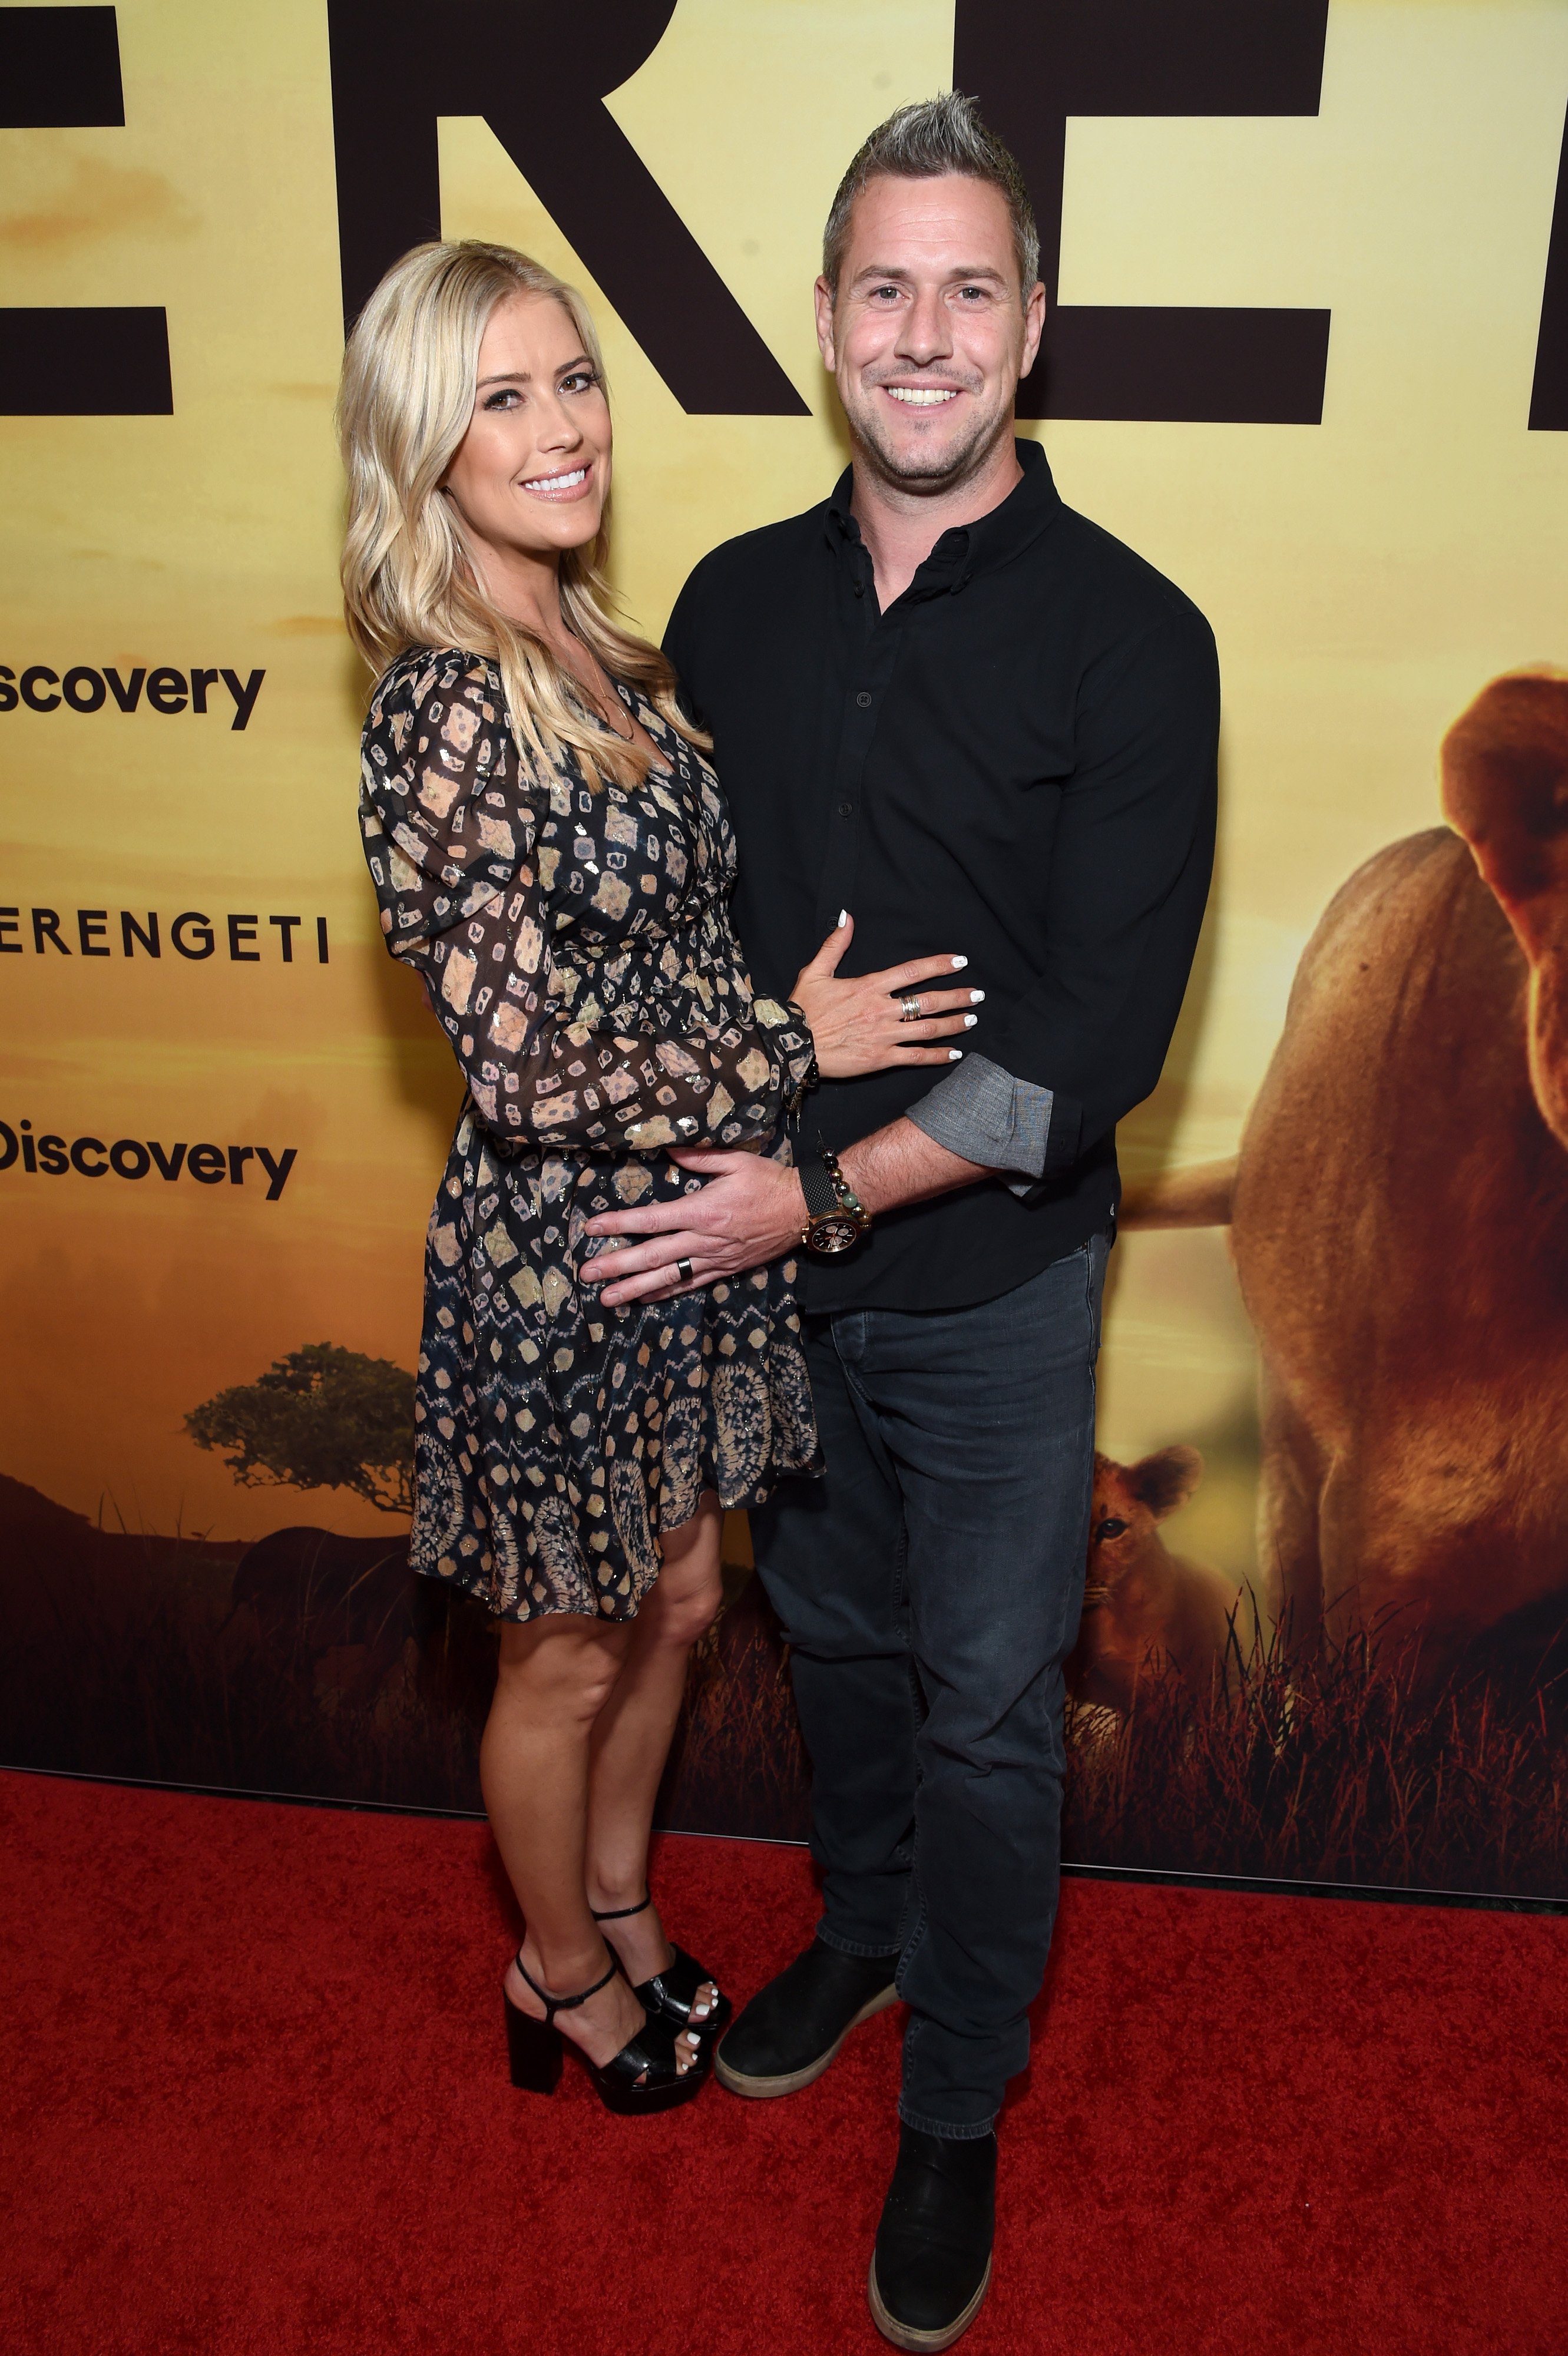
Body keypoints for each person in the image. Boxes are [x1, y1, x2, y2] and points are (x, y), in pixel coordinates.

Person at [581, 97, 1218, 2344]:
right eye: (885, 288)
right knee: (830, 1649)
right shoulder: (730, 607)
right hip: (774, 1300)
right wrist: (746, 1109)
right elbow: (665, 956)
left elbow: (1088, 1040)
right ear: (827, 325)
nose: (926, 334)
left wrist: (818, 1188)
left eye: (971, 289)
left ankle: (956, 2096)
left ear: (1031, 327)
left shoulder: (1138, 641)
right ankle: (858, 1932)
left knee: (979, 1710)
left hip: (987, 1295)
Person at [338, 241, 975, 2119]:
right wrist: (792, 1049)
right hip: (562, 1262)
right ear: (424, 448)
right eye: (502, 400)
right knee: (563, 1655)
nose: (560, 429)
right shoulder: (445, 707)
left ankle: (616, 1902)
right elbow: (526, 1066)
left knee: (685, 1609)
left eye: (574, 381)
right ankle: (551, 1976)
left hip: (695, 1240)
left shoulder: (608, 654)